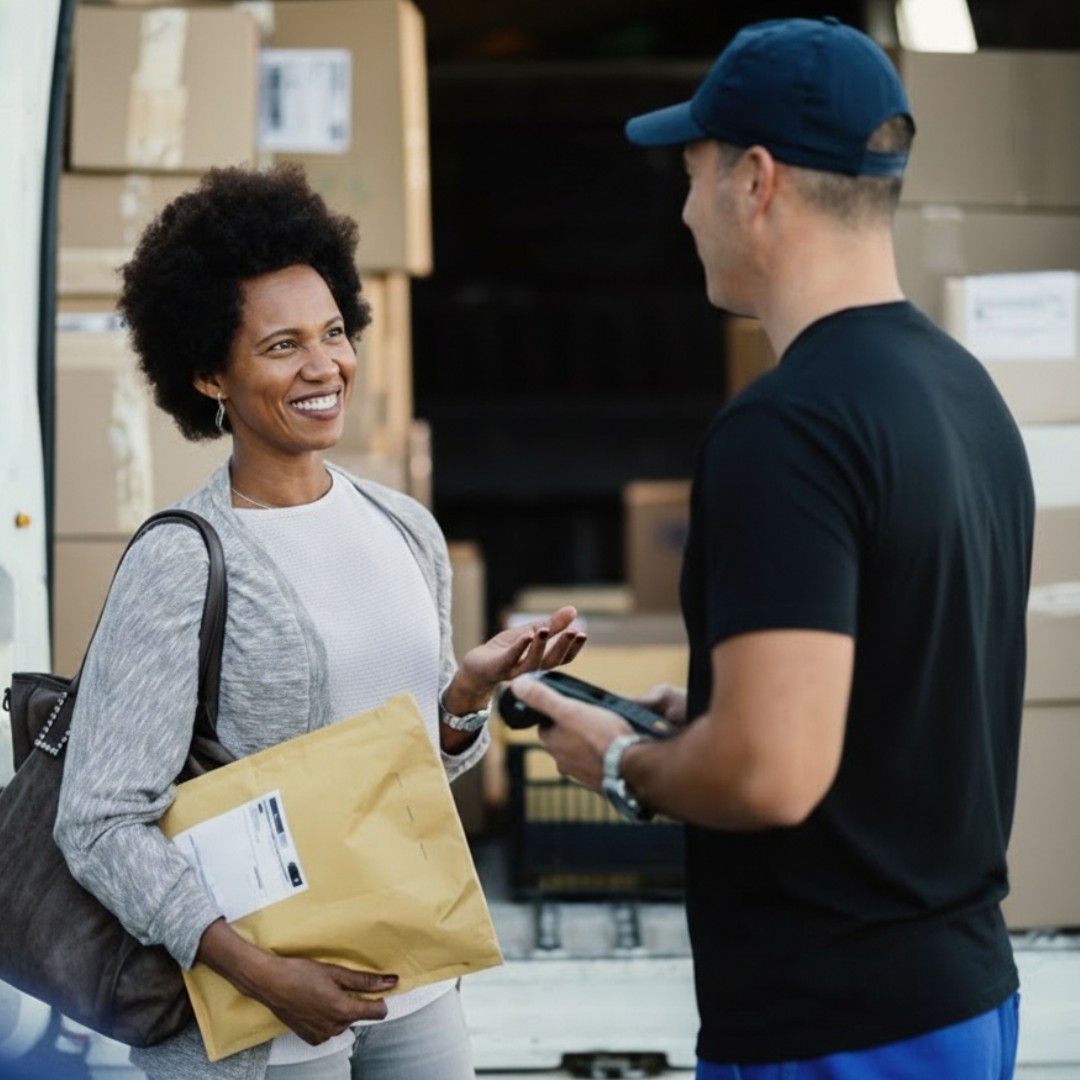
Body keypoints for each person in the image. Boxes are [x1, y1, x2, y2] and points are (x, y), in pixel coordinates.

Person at [511, 16, 1033, 1080]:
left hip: (835, 1029)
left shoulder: (786, 427)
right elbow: (890, 699)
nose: (685, 206)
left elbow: (771, 773)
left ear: (756, 180)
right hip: (958, 995)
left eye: (693, 172)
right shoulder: (963, 391)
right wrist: (713, 717)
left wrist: (620, 762)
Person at [53, 162, 586, 1080]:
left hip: (413, 986)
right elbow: (98, 822)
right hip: (260, 1018)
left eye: (334, 332)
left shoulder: (404, 529)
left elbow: (412, 765)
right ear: (209, 373)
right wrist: (259, 971)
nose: (324, 366)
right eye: (281, 346)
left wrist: (463, 697)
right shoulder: (182, 560)